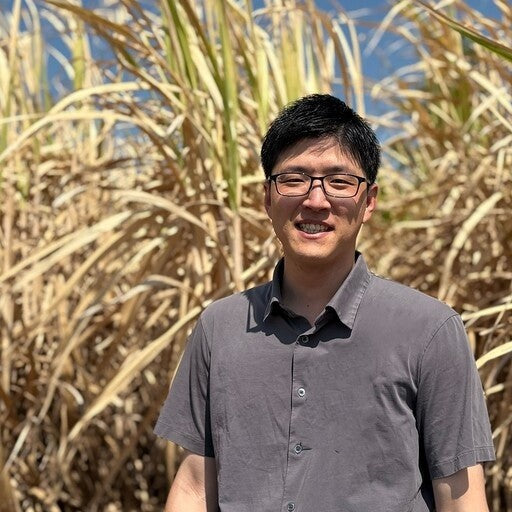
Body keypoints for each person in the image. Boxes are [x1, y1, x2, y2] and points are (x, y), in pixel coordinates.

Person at [154, 94, 495, 512]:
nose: (316, 201)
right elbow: (194, 487)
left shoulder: (430, 330)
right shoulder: (219, 328)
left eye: (339, 181)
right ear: (267, 197)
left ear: (369, 201)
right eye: (294, 179)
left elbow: (461, 498)